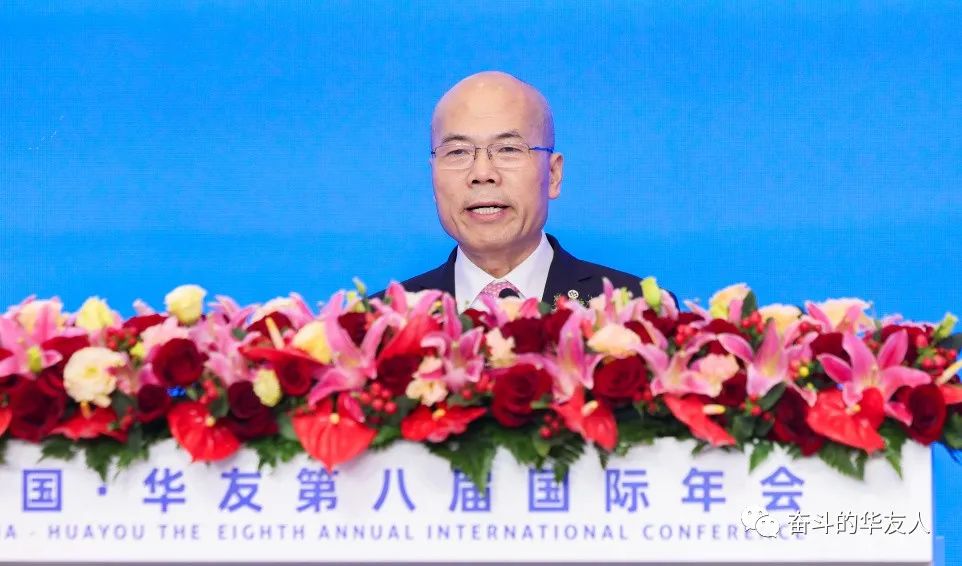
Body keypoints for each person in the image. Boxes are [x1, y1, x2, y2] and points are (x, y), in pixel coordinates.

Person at [378, 71, 653, 312]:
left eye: (508, 149)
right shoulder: (381, 324)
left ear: (553, 174)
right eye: (458, 152)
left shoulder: (637, 312)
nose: (482, 174)